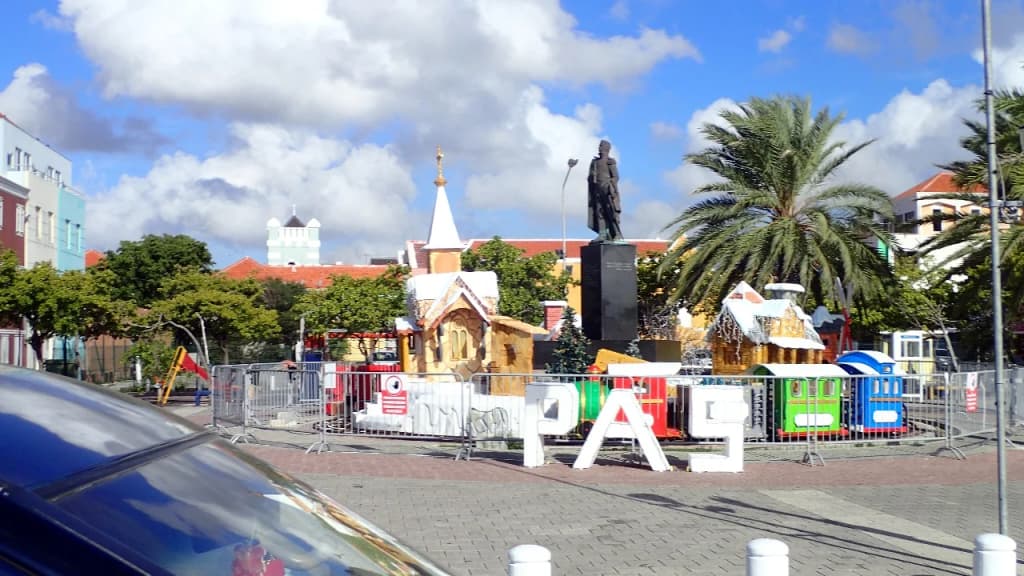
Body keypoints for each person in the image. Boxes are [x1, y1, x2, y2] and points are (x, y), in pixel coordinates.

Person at [587, 139, 623, 242]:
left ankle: (617, 234)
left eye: (601, 145)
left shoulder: (610, 162)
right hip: (597, 191)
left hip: (608, 191)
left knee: (611, 213)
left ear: (607, 148)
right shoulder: (595, 162)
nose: (599, 147)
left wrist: (610, 186)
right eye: (599, 146)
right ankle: (602, 234)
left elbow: (615, 177)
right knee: (599, 213)